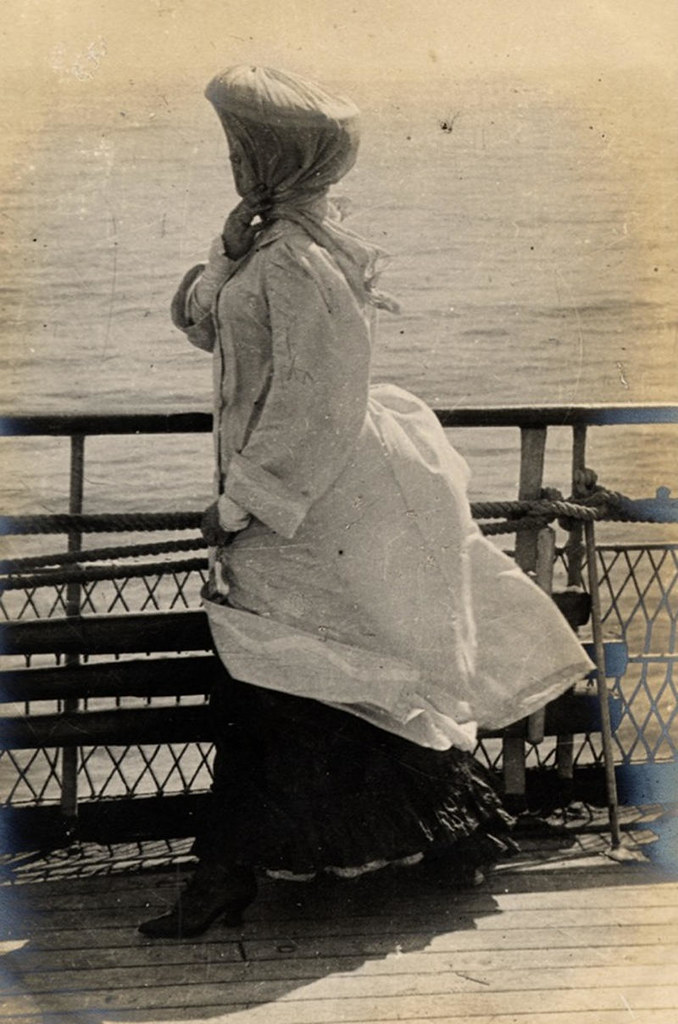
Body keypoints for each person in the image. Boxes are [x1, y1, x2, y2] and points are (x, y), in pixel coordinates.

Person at [139, 65, 592, 938]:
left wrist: (239, 507)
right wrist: (227, 249)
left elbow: (318, 405)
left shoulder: (305, 262)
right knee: (300, 684)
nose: (233, 158)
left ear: (278, 153)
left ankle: (230, 879)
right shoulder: (274, 248)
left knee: (299, 680)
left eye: (244, 145)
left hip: (311, 510)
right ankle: (416, 846)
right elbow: (208, 323)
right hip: (296, 508)